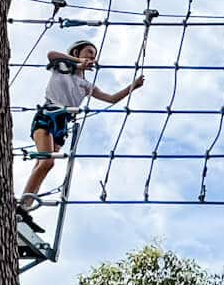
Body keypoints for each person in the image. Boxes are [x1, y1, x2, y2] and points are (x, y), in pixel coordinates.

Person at [16, 41, 143, 224]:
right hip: (48, 115)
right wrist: (77, 62)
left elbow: (111, 98)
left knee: (42, 164)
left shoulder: (85, 84)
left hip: (61, 124)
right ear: (77, 52)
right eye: (89, 52)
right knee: (47, 162)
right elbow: (51, 53)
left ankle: (24, 205)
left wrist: (134, 86)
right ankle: (23, 206)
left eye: (94, 55)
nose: (92, 56)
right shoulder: (62, 68)